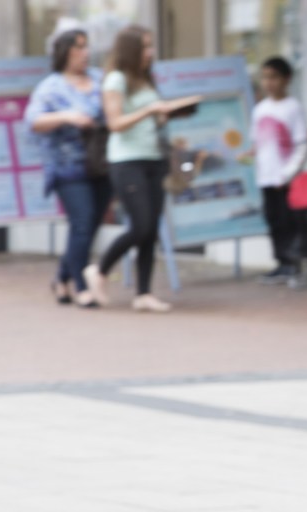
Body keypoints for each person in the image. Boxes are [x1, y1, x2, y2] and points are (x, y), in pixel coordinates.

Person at [83, 25, 198, 312]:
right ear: (131, 49)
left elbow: (152, 122)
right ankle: (99, 271)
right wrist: (150, 110)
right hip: (126, 161)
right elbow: (115, 123)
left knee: (151, 230)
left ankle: (143, 293)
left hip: (154, 158)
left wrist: (170, 114)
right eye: (146, 46)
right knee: (141, 224)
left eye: (151, 46)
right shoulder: (116, 79)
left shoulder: (145, 80)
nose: (151, 52)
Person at [25, 28, 112, 308]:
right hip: (67, 168)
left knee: (89, 225)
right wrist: (67, 117)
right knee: (83, 222)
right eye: (78, 48)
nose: (85, 53)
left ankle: (61, 277)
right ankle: (80, 284)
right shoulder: (51, 86)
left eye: (86, 47)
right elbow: (34, 121)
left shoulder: (100, 79)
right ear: (65, 53)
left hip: (100, 163)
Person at [250, 56, 307, 285]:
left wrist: (289, 173)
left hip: (285, 178)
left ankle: (292, 262)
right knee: (273, 219)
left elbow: (302, 144)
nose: (268, 83)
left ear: (286, 79)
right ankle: (280, 262)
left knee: (288, 220)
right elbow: (257, 142)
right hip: (265, 176)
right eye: (265, 77)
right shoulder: (260, 109)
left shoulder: (293, 108)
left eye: (273, 77)